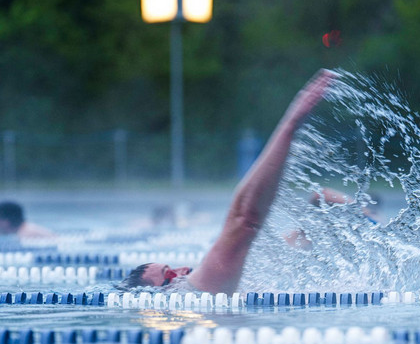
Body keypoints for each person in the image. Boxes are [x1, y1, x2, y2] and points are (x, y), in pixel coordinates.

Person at [120, 69, 337, 294]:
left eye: (171, 268)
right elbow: (244, 219)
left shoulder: (193, 297)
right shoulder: (195, 289)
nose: (183, 269)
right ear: (156, 295)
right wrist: (290, 125)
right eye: (169, 275)